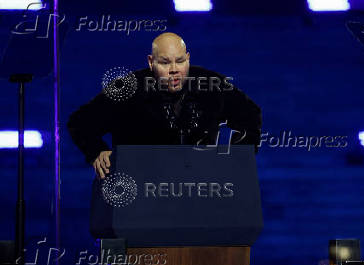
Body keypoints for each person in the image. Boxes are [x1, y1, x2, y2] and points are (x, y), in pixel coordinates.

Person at [67, 32, 262, 179]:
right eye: (165, 63)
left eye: (180, 61)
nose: (174, 70)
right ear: (151, 62)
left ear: (188, 58)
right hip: (141, 193)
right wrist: (97, 152)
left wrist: (238, 158)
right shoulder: (128, 88)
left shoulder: (210, 84)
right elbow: (79, 122)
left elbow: (250, 115)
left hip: (199, 191)